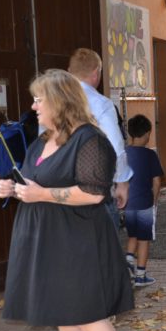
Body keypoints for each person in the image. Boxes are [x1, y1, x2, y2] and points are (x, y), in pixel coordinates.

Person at [0, 69, 141, 331]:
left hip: (79, 238)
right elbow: (35, 181)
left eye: (39, 99)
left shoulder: (90, 140)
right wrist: (12, 188)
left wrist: (41, 193)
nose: (33, 106)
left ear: (60, 101)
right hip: (47, 236)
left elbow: (93, 193)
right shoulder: (44, 139)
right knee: (64, 310)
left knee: (88, 312)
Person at [68, 48, 133, 226]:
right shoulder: (101, 104)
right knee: (104, 250)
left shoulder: (51, 102)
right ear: (96, 73)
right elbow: (114, 146)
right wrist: (122, 181)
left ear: (69, 72)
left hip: (60, 194)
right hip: (94, 191)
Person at [123, 114, 163, 287]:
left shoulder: (123, 153)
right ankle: (141, 275)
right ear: (147, 134)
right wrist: (154, 200)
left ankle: (128, 262)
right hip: (145, 203)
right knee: (144, 239)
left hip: (127, 203)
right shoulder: (150, 155)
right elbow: (157, 181)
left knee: (133, 235)